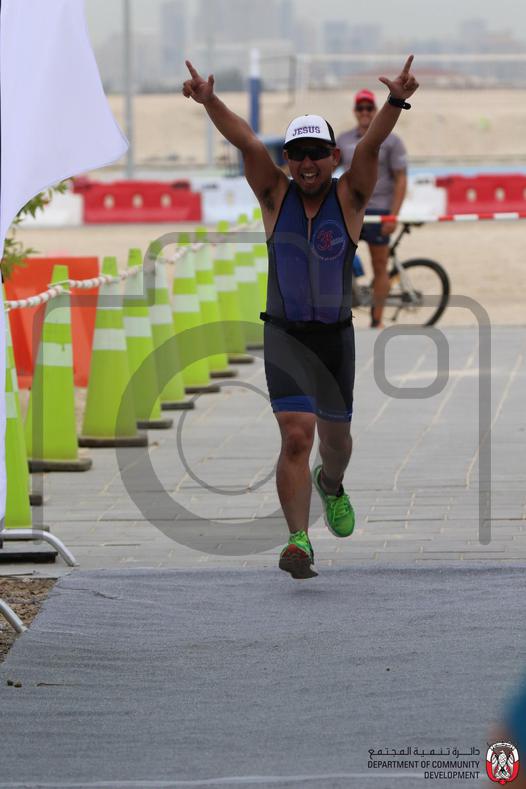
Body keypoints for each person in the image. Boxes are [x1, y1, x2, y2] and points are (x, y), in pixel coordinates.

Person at [183, 56, 418, 579]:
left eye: (316, 153)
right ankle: (297, 540)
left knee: (335, 445)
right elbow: (246, 141)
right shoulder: (273, 196)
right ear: (286, 159)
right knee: (295, 436)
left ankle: (330, 485)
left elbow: (372, 146)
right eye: (297, 154)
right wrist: (210, 101)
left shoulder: (350, 196)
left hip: (335, 340)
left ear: (334, 156)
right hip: (285, 335)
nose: (307, 163)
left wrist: (395, 101)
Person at [337, 89, 408, 328]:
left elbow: (400, 179)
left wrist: (393, 215)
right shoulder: (343, 140)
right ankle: (340, 313)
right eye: (361, 108)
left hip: (379, 211)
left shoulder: (393, 141)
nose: (365, 112)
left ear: (376, 110)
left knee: (379, 265)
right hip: (352, 209)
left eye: (369, 108)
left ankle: (376, 320)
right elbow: (327, 169)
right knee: (336, 259)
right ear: (355, 111)